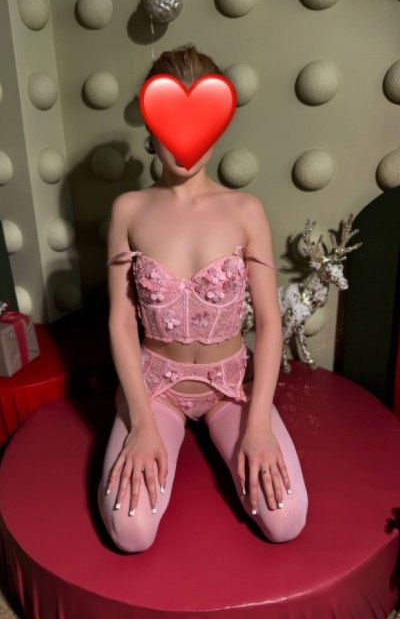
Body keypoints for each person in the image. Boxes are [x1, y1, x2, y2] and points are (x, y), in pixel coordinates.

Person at [97, 44, 308, 552]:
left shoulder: (246, 210)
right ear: (150, 129)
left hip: (230, 387)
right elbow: (121, 322)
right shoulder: (128, 210)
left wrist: (258, 425)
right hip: (155, 388)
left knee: (286, 519)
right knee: (131, 532)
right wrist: (140, 423)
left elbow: (270, 324)